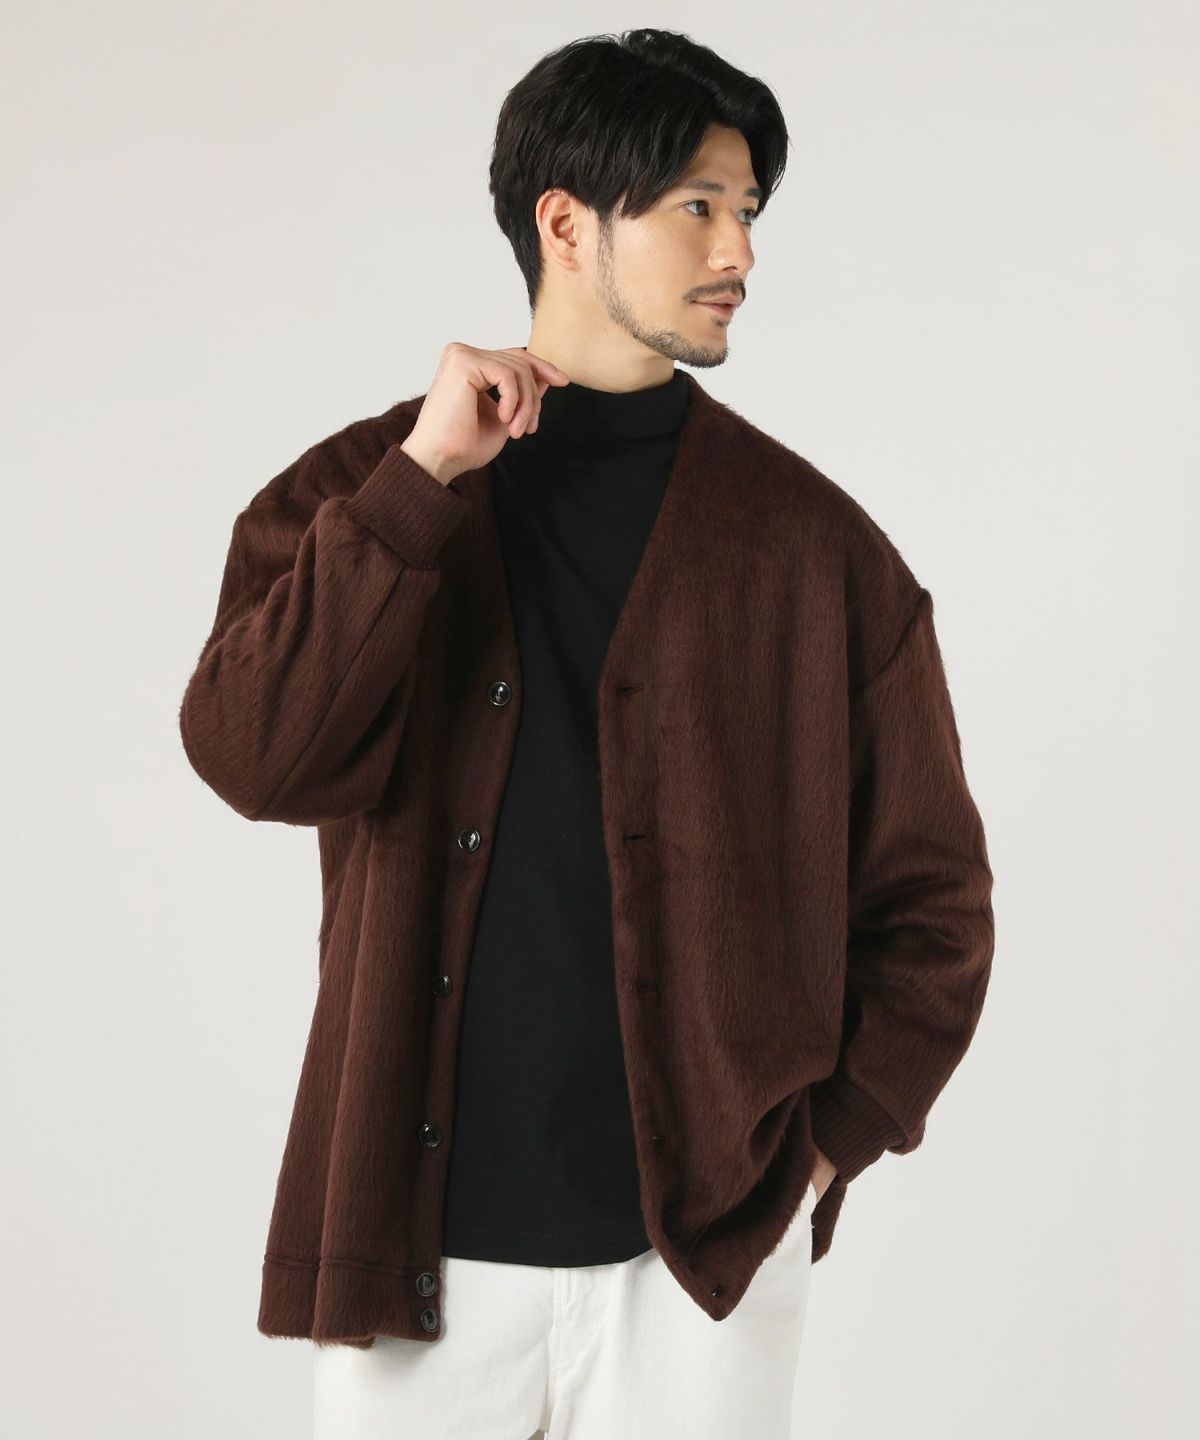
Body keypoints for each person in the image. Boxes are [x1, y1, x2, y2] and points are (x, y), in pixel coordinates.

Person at [179, 26, 994, 1440]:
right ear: (566, 224)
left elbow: (934, 910)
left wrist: (809, 1162)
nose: (740, 250)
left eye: (749, 210)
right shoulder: (359, 491)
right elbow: (255, 754)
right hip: (416, 1257)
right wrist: (423, 482)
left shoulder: (817, 552)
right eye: (699, 206)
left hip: (698, 1273)